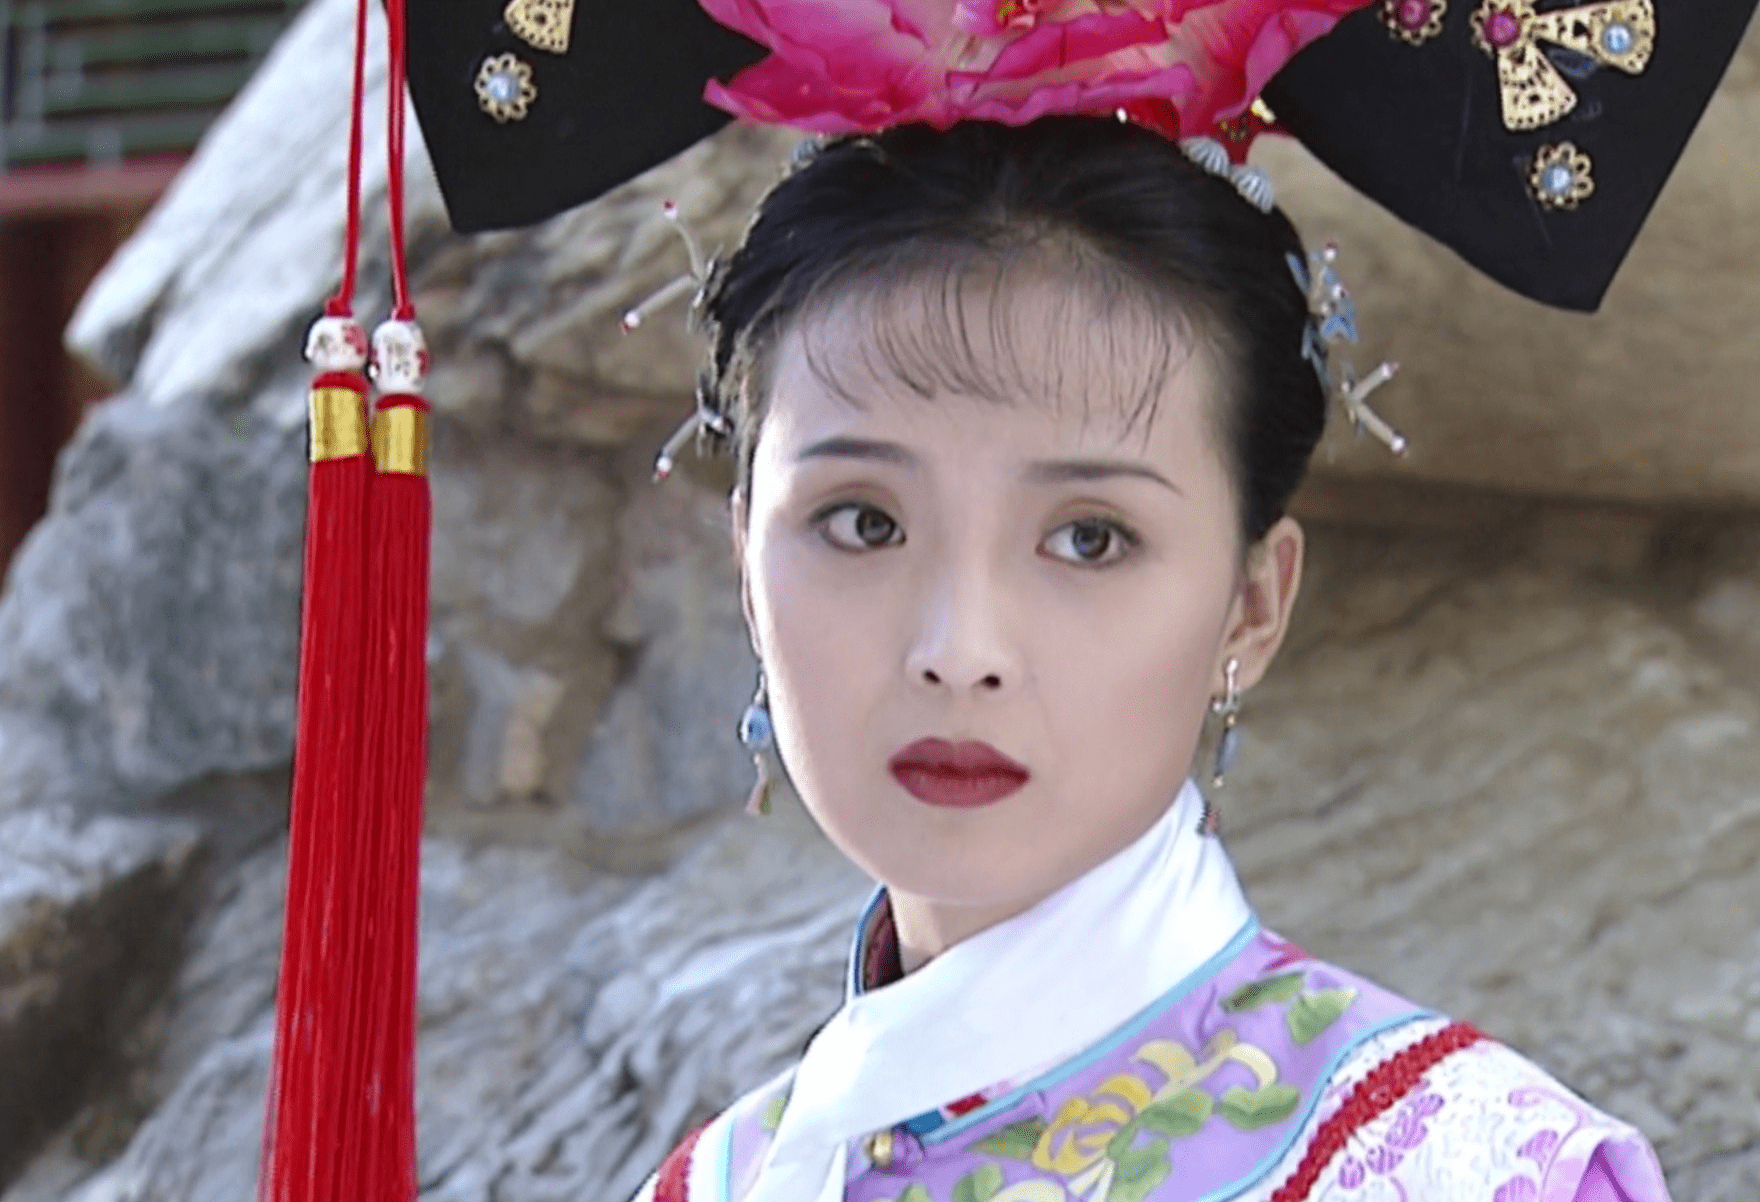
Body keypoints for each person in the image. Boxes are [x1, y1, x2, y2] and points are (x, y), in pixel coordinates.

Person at [625, 116, 1674, 1202]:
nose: (958, 652)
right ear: (746, 563)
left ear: (1250, 606)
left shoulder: (1480, 1167)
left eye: (1089, 538)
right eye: (863, 522)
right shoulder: (720, 1181)